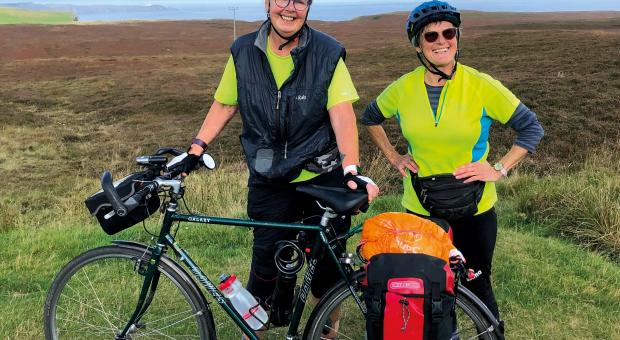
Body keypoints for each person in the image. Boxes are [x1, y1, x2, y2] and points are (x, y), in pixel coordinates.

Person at [172, 0, 379, 335]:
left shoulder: (327, 52)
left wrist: (350, 168)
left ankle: (327, 329)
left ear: (308, 7)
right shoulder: (243, 51)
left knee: (326, 267)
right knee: (266, 258)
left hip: (321, 171)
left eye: (300, 1)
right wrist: (195, 150)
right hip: (269, 175)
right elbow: (226, 102)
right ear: (268, 4)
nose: (290, 8)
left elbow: (341, 113)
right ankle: (255, 328)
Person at [360, 0, 544, 330]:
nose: (441, 41)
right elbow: (371, 117)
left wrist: (498, 168)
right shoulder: (403, 88)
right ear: (418, 45)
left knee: (475, 281)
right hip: (421, 207)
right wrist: (394, 157)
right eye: (430, 36)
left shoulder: (480, 84)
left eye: (449, 32)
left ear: (457, 37)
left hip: (475, 208)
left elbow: (531, 128)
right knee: (430, 284)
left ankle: (489, 333)